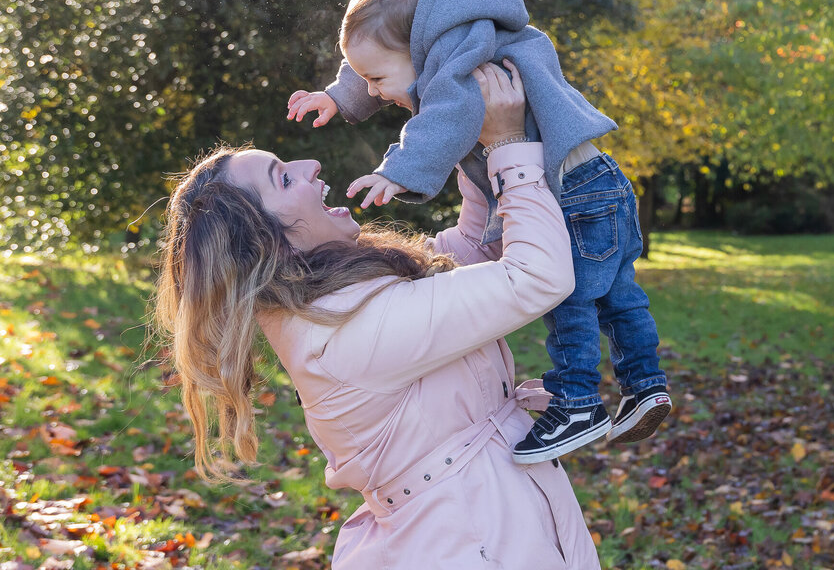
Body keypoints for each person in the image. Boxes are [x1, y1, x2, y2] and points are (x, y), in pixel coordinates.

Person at [155, 64, 601, 569]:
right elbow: (536, 276)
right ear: (267, 241)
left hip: (490, 524)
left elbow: (468, 253)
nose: (310, 165)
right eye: (284, 177)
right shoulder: (346, 332)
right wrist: (508, 147)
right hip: (469, 543)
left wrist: (472, 140)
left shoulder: (338, 297)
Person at [285, 0, 671, 464]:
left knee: (570, 299)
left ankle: (577, 399)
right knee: (620, 295)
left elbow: (449, 114)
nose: (375, 92)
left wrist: (396, 171)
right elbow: (383, 53)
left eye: (376, 82)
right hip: (600, 179)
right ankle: (646, 383)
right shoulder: (462, 30)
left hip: (571, 191)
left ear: (419, 47)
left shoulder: (458, 62)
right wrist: (341, 95)